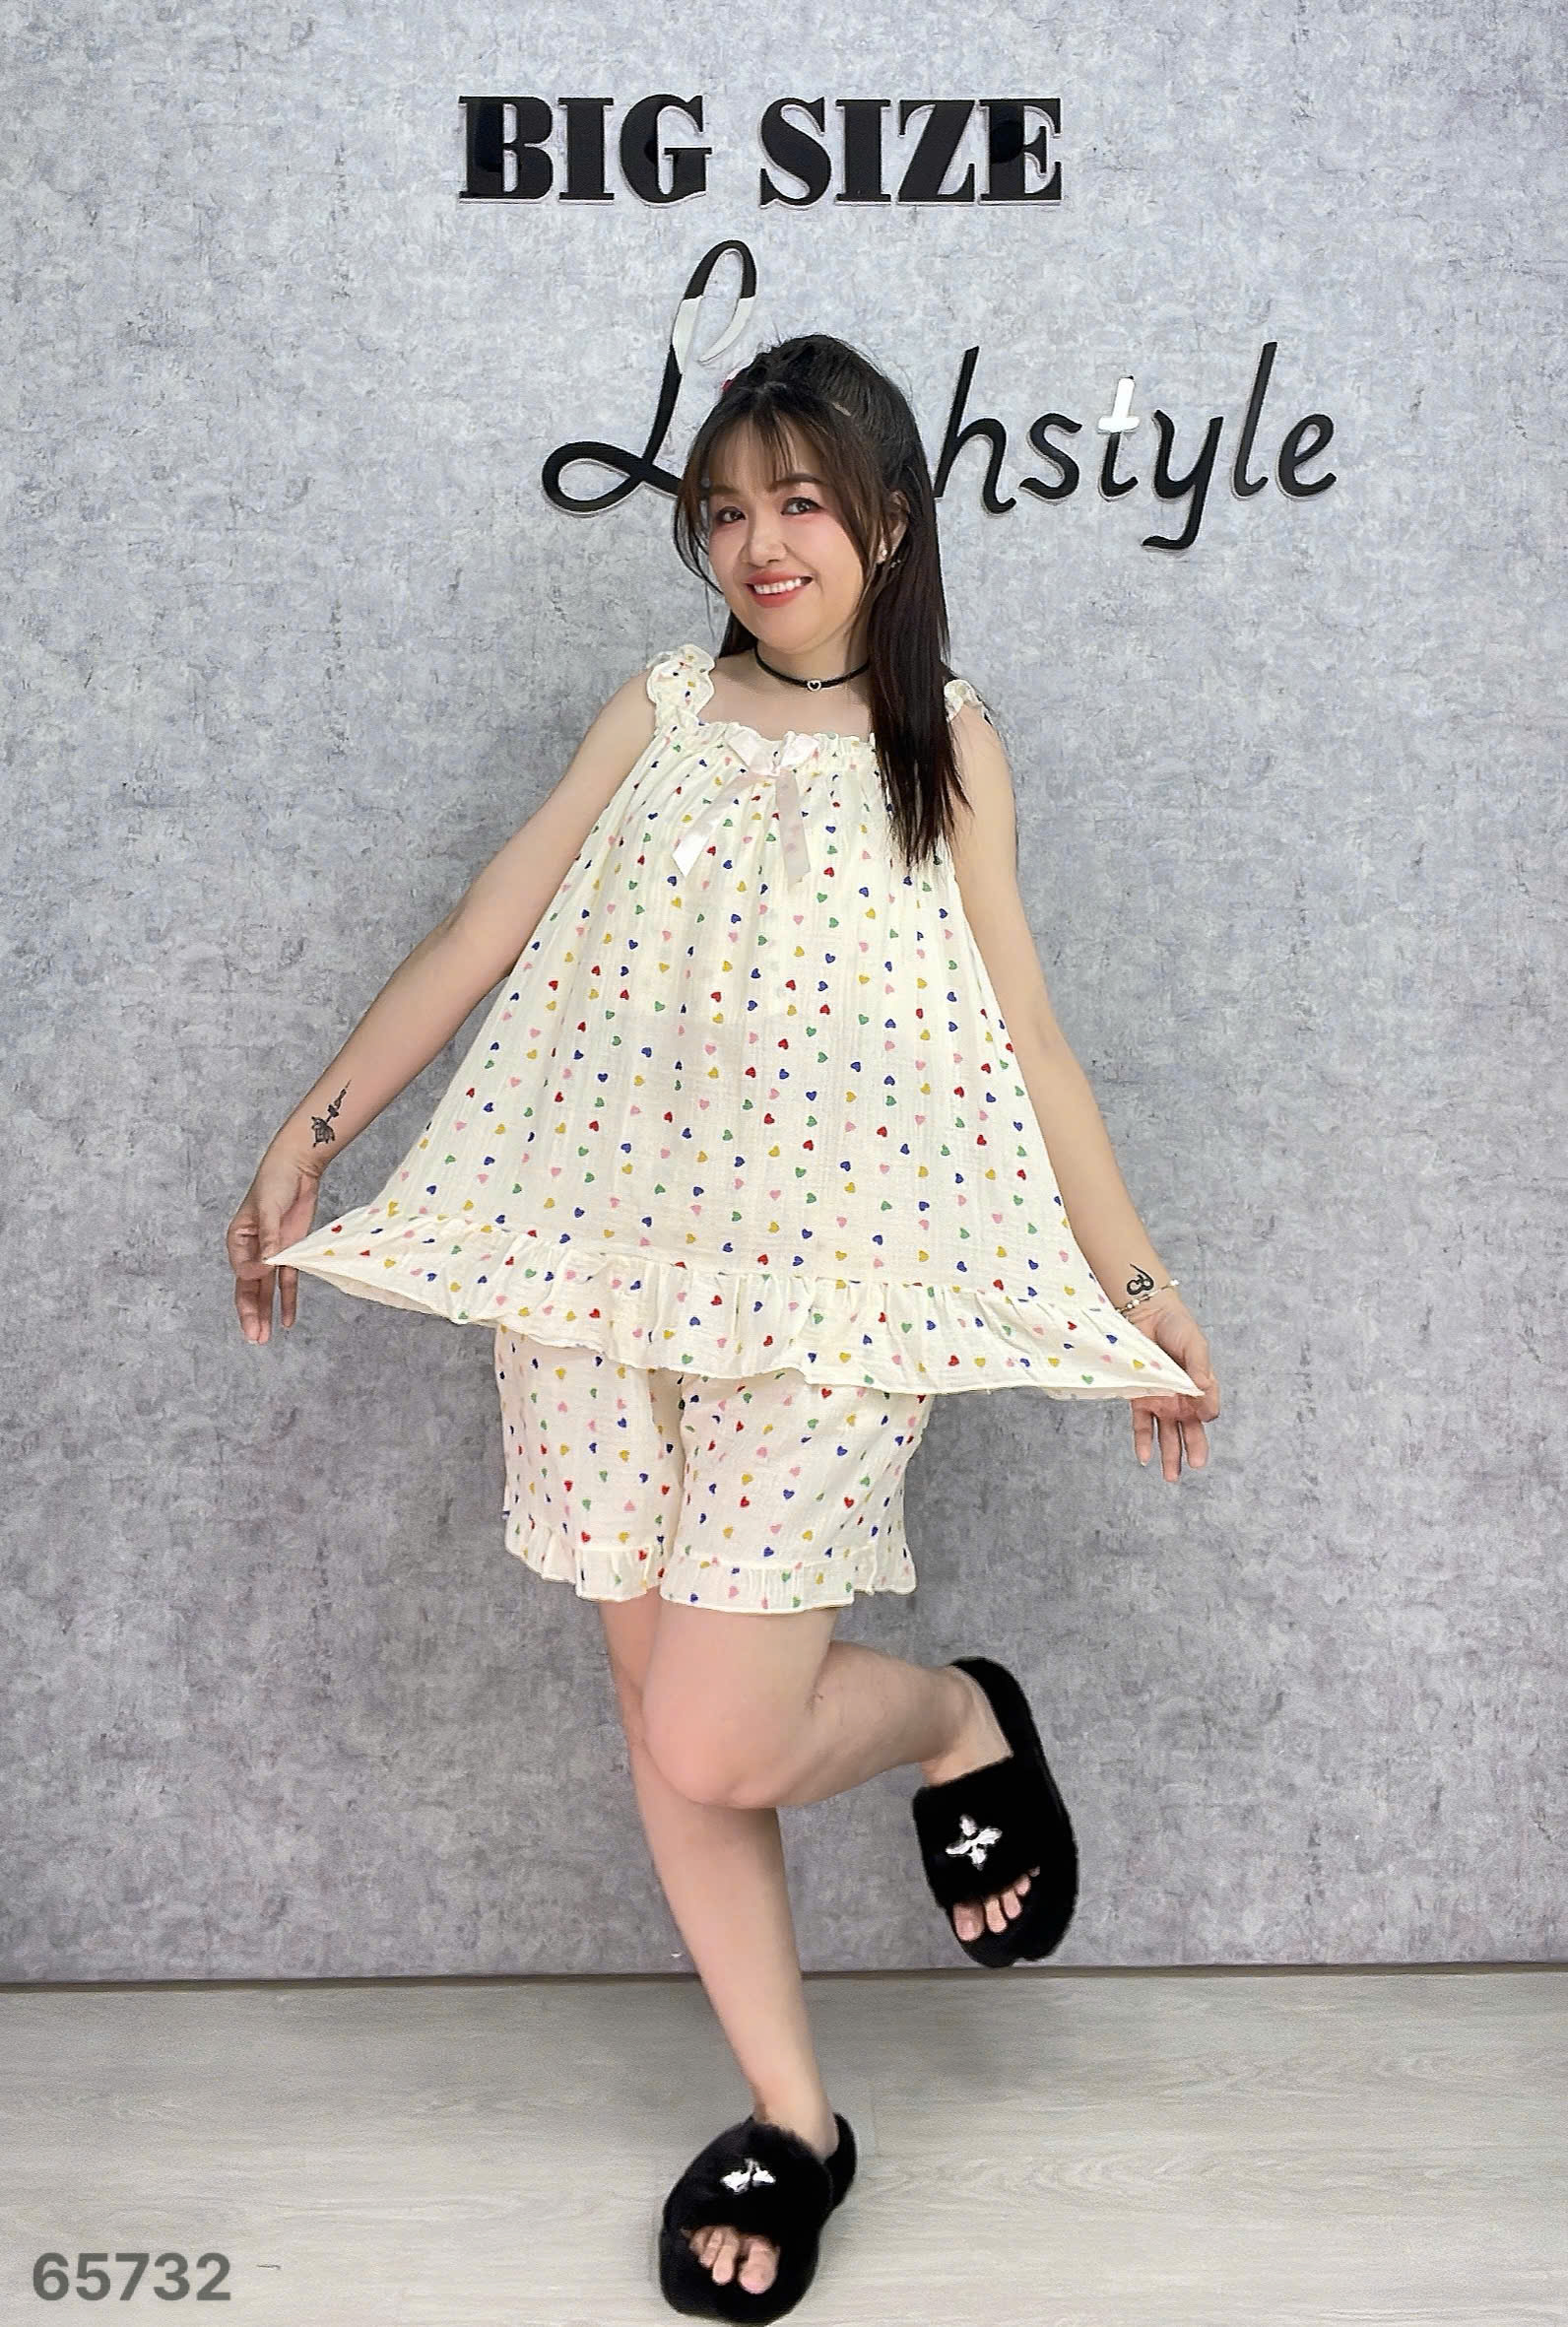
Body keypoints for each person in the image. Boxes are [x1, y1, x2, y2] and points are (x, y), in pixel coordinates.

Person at [227, 331, 1220, 2322]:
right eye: (731, 507)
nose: (763, 542)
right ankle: (794, 2114)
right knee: (658, 1722)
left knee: (718, 1723)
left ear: (889, 521)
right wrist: (309, 1135)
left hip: (826, 1297)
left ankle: (954, 1717)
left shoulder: (945, 738)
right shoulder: (660, 709)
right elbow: (488, 921)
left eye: (803, 500)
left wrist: (1138, 1286)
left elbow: (1029, 1034)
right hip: (594, 1273)